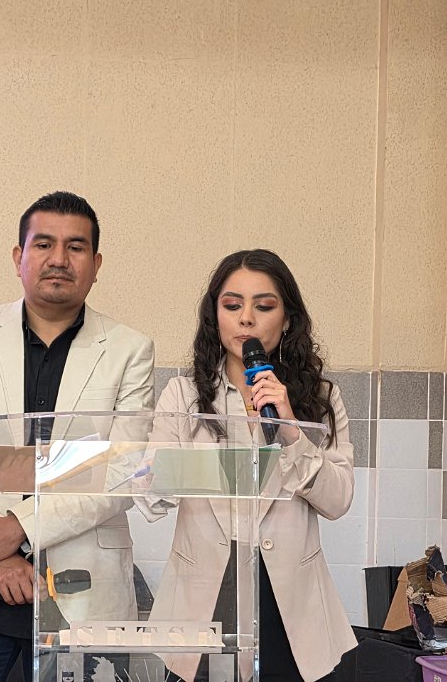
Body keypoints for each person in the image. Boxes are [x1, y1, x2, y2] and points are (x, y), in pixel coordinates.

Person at [0, 191, 155, 682]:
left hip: (86, 595)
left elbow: (123, 469)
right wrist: (0, 553)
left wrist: (19, 527)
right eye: (43, 244)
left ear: (96, 264)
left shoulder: (130, 350)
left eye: (75, 247)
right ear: (18, 257)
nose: (58, 259)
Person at [143, 249, 356, 682]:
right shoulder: (184, 395)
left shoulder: (320, 397)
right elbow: (151, 491)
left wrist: (291, 431)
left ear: (288, 319)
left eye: (263, 306)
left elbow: (338, 500)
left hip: (289, 601)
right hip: (204, 593)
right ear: (215, 316)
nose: (246, 319)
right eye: (232, 305)